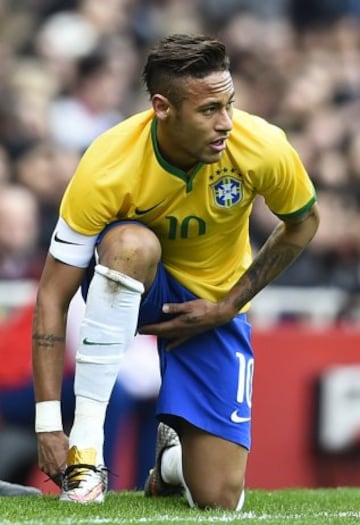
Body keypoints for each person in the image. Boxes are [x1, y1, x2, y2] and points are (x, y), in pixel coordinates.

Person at [32, 33, 320, 509]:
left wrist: (227, 306)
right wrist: (49, 424)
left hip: (212, 304)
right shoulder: (108, 163)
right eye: (209, 110)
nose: (226, 122)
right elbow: (52, 294)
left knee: (220, 498)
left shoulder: (262, 146)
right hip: (129, 285)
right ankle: (87, 452)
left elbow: (303, 222)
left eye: (229, 104)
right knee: (132, 243)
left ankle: (171, 460)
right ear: (163, 107)